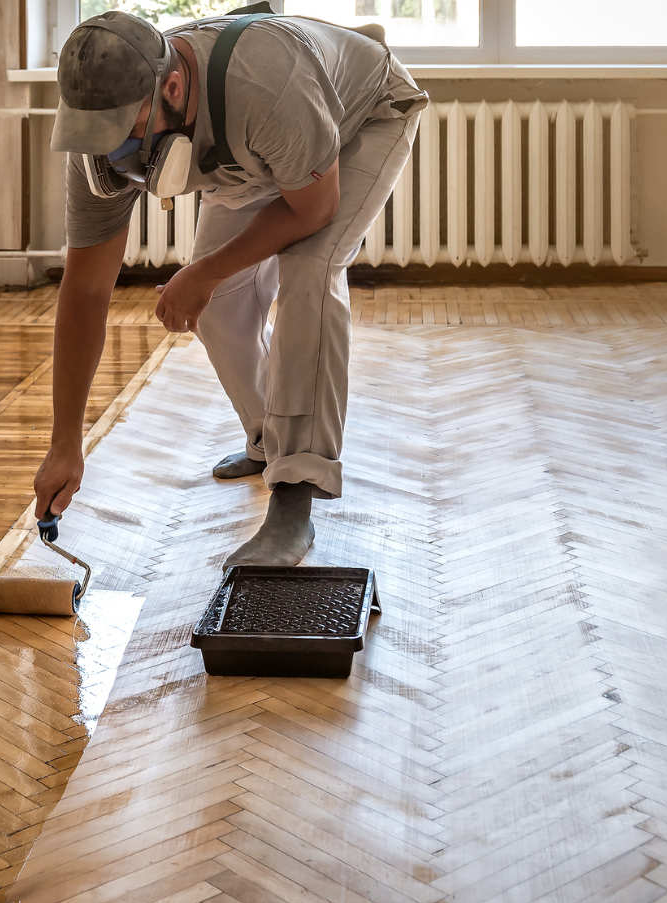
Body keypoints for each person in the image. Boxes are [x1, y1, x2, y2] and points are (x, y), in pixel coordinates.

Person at [31, 3, 426, 566]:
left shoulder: (265, 82)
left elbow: (313, 209)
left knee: (310, 272)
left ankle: (296, 495)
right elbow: (86, 292)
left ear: (171, 86)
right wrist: (65, 441)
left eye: (128, 130)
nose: (115, 152)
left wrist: (206, 269)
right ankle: (269, 440)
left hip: (360, 116)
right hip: (253, 145)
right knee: (216, 307)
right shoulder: (97, 140)